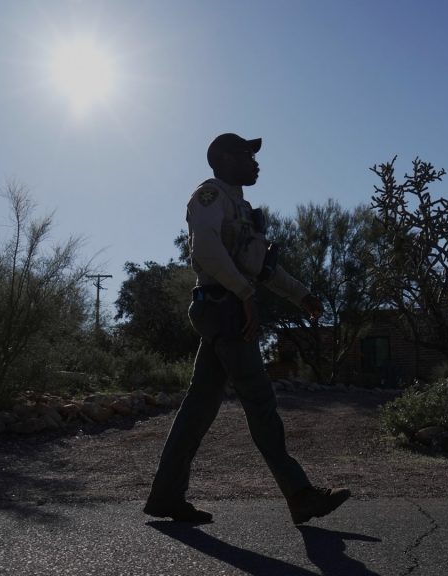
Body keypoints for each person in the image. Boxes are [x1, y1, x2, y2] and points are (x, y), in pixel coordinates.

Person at [143, 133, 350, 525]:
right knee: (260, 401)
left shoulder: (242, 208)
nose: (255, 161)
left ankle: (166, 496)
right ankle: (300, 494)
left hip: (226, 308)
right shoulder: (209, 196)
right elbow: (203, 247)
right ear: (222, 158)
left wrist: (302, 295)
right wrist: (243, 294)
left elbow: (262, 268)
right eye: (246, 154)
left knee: (198, 410)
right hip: (223, 309)